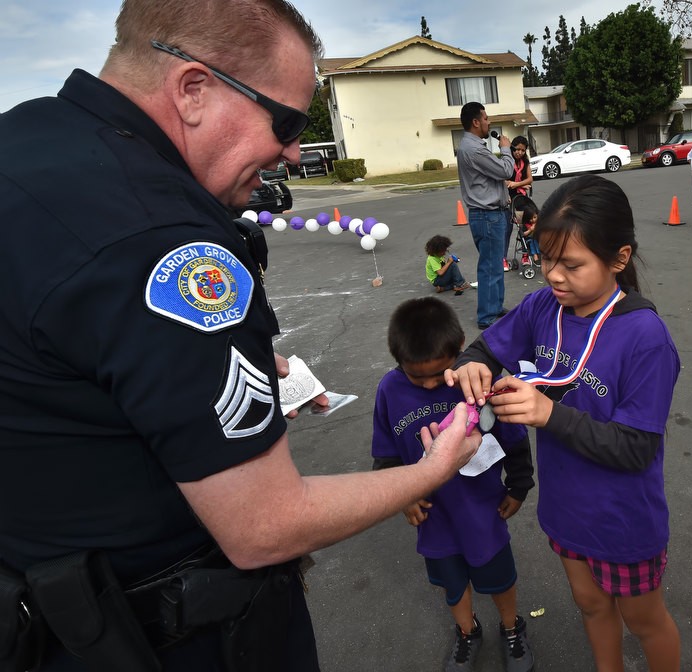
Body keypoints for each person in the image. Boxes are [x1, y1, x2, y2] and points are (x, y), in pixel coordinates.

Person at [0, 2, 479, 670]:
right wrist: (433, 469)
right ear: (193, 90)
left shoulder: (25, 145)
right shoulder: (162, 239)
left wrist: (192, 374)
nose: (291, 150)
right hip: (169, 636)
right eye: (284, 121)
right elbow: (264, 526)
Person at [446, 175, 683, 672]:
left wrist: (548, 414)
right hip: (566, 509)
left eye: (571, 264)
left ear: (619, 259)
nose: (553, 274)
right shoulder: (543, 306)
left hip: (624, 520)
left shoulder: (645, 337)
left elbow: (637, 448)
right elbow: (489, 346)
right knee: (591, 605)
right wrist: (473, 361)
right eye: (546, 257)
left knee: (645, 621)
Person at [372, 297, 536, 672]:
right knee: (452, 583)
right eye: (418, 377)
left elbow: (513, 436)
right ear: (398, 361)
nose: (431, 384)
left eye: (440, 373)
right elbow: (385, 455)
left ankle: (512, 628)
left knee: (498, 577)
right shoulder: (389, 390)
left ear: (461, 347)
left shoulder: (479, 381)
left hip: (482, 508)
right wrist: (402, 497)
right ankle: (467, 631)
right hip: (433, 516)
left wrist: (519, 485)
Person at [457, 102, 515, 330]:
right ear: (476, 122)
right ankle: (487, 317)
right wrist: (506, 149)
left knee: (494, 265)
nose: (488, 122)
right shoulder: (474, 149)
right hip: (487, 216)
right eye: (486, 118)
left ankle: (494, 307)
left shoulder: (473, 147)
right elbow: (505, 171)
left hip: (491, 215)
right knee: (490, 267)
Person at [505, 135, 534, 272]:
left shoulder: (525, 162)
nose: (520, 153)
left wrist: (516, 184)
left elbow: (529, 179)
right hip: (506, 198)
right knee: (506, 229)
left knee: (523, 225)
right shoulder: (506, 160)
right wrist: (510, 186)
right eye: (517, 149)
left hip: (520, 198)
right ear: (512, 148)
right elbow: (501, 180)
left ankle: (525, 255)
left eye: (523, 150)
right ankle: (503, 258)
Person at [519, 198, 541, 266]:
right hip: (529, 239)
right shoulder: (526, 225)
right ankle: (535, 255)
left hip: (539, 238)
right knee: (532, 241)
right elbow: (523, 234)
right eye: (530, 219)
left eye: (535, 217)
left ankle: (539, 254)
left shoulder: (539, 222)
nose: (533, 220)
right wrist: (530, 230)